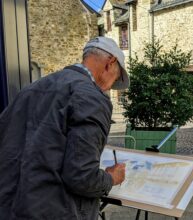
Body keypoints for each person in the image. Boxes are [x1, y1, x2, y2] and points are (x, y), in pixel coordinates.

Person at [0, 37, 129, 220]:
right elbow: (82, 177)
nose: (109, 88)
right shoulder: (91, 97)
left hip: (11, 208)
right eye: (115, 79)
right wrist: (111, 178)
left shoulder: (30, 90)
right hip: (55, 211)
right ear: (110, 63)